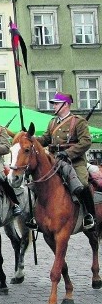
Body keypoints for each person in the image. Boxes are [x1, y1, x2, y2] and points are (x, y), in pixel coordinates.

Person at [36, 92, 95, 230]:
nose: (54, 106)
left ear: (66, 105)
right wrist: (29, 138)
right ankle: (36, 216)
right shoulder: (52, 122)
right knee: (38, 183)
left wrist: (68, 153)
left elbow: (86, 142)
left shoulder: (78, 121)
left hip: (74, 161)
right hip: (54, 162)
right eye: (54, 103)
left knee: (82, 183)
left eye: (56, 103)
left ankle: (89, 216)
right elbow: (45, 139)